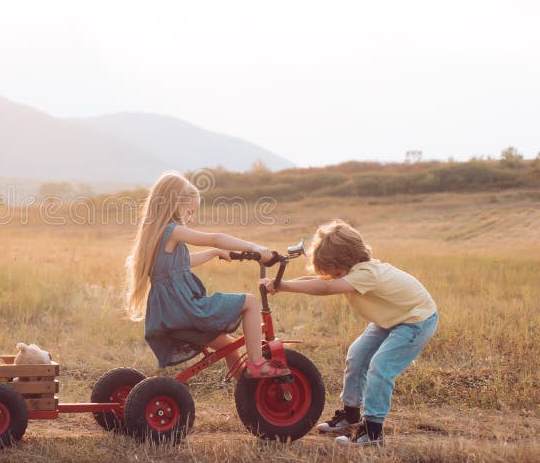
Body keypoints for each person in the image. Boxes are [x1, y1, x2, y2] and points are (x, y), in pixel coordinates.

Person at [260, 219, 437, 446]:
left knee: (380, 368)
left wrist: (283, 285)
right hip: (391, 318)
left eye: (335, 273)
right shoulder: (351, 271)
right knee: (357, 355)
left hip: (416, 320)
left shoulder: (366, 273)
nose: (333, 277)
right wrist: (280, 283)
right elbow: (319, 281)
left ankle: (373, 432)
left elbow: (326, 287)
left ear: (347, 260)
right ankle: (351, 415)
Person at [126, 171, 285, 378]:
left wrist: (214, 253)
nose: (190, 219)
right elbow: (216, 238)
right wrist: (257, 248)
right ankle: (257, 363)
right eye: (189, 211)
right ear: (175, 203)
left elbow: (181, 263)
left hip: (170, 313)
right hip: (185, 309)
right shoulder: (172, 230)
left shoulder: (155, 234)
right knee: (250, 302)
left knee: (228, 345)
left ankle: (248, 390)